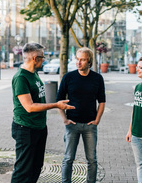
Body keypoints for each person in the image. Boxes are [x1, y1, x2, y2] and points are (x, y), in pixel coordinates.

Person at [11, 43, 75, 183]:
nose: (44, 60)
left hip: (39, 127)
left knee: (36, 167)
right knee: (23, 170)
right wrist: (55, 105)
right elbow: (29, 107)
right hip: (25, 129)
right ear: (35, 58)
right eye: (42, 57)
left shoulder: (34, 73)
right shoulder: (21, 78)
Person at [56, 47, 106, 183]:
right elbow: (58, 100)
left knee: (92, 160)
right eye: (77, 59)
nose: (79, 62)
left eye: (83, 60)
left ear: (89, 62)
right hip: (72, 124)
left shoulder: (97, 78)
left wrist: (97, 120)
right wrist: (65, 120)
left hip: (90, 125)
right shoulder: (68, 77)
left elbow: (102, 101)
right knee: (68, 158)